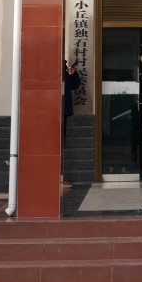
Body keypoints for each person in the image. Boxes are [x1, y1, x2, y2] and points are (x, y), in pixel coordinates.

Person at [61, 60, 81, 188]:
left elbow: (74, 85)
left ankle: (59, 177)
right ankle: (56, 177)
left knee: (60, 144)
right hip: (53, 111)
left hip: (63, 111)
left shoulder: (64, 70)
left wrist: (73, 74)